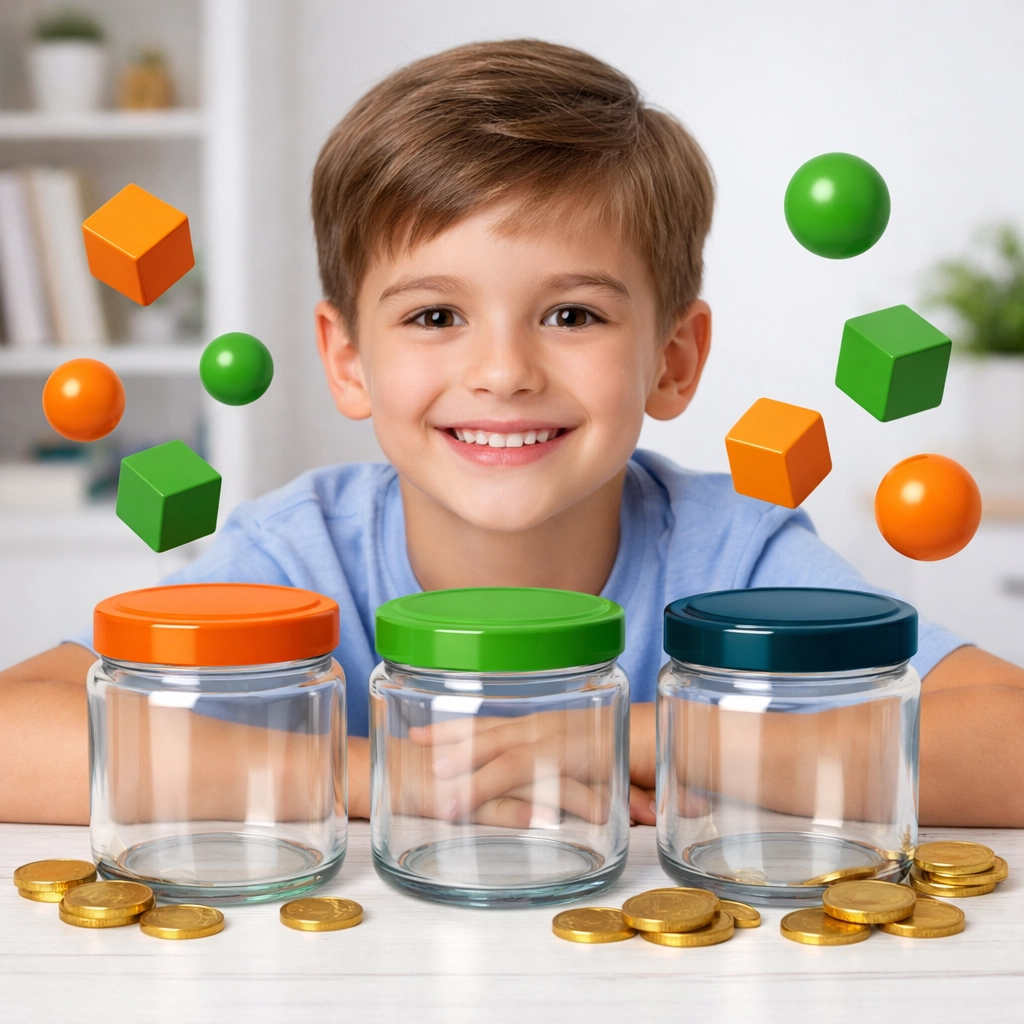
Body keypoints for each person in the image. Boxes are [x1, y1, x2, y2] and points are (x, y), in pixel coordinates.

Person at [2, 39, 1022, 829]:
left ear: (671, 360)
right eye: (435, 315)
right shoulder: (299, 556)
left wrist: (624, 739)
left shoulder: (735, 554)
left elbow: (1006, 734)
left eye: (572, 314)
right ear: (348, 359)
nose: (503, 372)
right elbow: (17, 728)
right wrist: (385, 775)